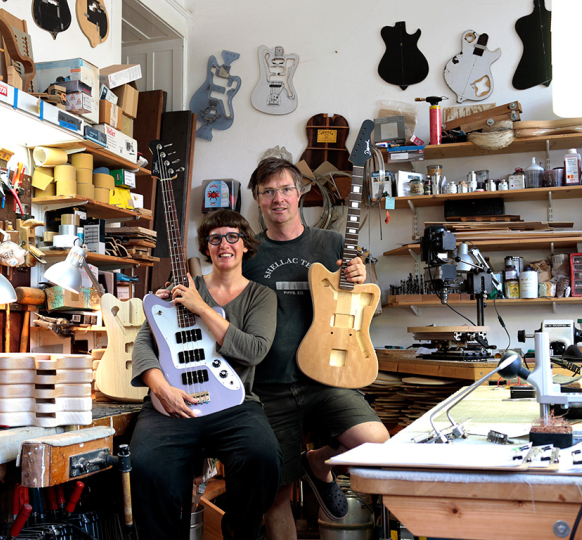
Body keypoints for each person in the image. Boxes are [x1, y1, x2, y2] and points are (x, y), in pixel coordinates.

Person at [241, 157, 390, 539]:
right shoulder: (248, 255)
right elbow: (219, 298)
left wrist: (360, 277)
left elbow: (365, 301)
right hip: (268, 384)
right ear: (258, 199)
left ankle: (318, 461)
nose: (278, 198)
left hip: (326, 376)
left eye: (286, 189)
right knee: (277, 495)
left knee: (376, 445)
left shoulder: (332, 243)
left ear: (301, 192)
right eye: (268, 191)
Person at [130, 209, 282, 540]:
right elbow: (143, 345)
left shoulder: (261, 296)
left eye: (232, 237)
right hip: (172, 402)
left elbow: (254, 350)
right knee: (146, 466)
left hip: (234, 402)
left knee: (263, 457)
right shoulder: (180, 288)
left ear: (244, 245)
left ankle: (239, 531)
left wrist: (201, 307)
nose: (224, 244)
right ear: (207, 246)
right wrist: (160, 389)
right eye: (215, 238)